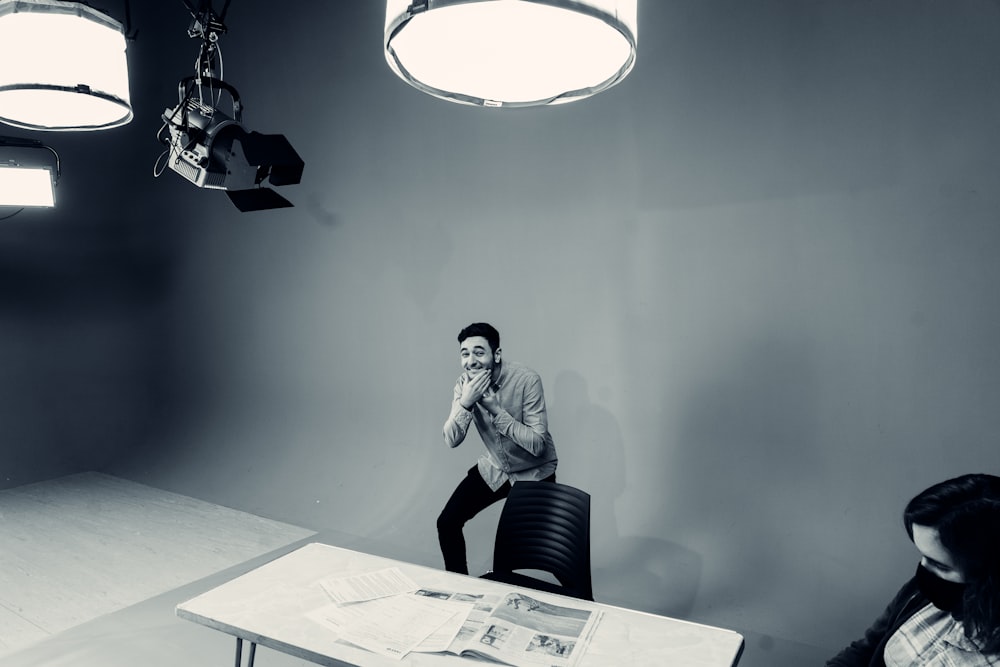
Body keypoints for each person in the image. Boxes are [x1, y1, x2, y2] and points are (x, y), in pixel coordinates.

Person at [826, 473, 1000, 666]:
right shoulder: (919, 592)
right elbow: (866, 649)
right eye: (923, 556)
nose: (922, 569)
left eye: (939, 565)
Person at [437, 322, 558, 574]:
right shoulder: (463, 386)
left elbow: (538, 445)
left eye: (479, 352)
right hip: (496, 466)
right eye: (465, 353)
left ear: (496, 354)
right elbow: (451, 440)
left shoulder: (527, 380)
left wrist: (496, 410)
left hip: (534, 472)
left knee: (525, 553)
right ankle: (459, 588)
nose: (471, 361)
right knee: (447, 522)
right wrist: (466, 402)